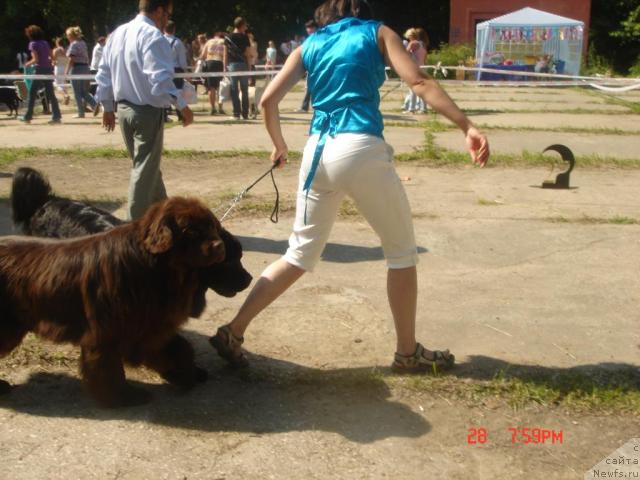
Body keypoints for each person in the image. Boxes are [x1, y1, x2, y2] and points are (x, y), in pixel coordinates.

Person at [209, 0, 489, 373]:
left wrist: (278, 145)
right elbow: (419, 82)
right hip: (359, 148)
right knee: (402, 254)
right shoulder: (377, 32)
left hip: (316, 154)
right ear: (360, 10)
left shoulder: (309, 45)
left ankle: (234, 330)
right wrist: (465, 124)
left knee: (298, 255)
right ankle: (407, 353)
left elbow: (267, 100)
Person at [95, 0, 194, 220]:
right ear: (158, 11)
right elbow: (159, 80)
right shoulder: (153, 36)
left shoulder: (118, 34)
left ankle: (166, 216)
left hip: (123, 111)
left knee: (148, 168)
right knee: (143, 170)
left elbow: (103, 74)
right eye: (167, 14)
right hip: (146, 112)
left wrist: (107, 107)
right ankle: (132, 227)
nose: (168, 19)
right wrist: (182, 105)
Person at [19, 25, 61, 124]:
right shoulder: (45, 43)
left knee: (32, 93)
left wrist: (27, 64)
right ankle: (57, 116)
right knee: (51, 93)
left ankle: (28, 116)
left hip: (38, 70)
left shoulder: (32, 44)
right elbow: (52, 57)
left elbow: (36, 60)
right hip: (48, 69)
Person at [65, 26, 97, 118]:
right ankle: (94, 105)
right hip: (85, 68)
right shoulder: (83, 43)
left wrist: (66, 72)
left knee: (77, 92)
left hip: (77, 68)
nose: (67, 37)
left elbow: (72, 59)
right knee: (83, 91)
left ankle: (80, 112)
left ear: (71, 35)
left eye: (67, 35)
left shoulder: (74, 44)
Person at [225, 16, 250, 120]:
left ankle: (236, 113)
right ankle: (245, 113)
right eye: (245, 25)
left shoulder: (228, 37)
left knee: (234, 89)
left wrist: (224, 66)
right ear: (241, 25)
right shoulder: (245, 37)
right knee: (244, 89)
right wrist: (248, 65)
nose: (246, 27)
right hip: (243, 64)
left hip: (233, 65)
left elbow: (225, 53)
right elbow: (247, 53)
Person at [164, 20, 188, 121]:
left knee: (164, 92)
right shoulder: (178, 42)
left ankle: (164, 116)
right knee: (178, 93)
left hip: (163, 69)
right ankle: (180, 114)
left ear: (164, 29)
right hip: (176, 70)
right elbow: (182, 60)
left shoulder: (159, 40)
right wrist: (185, 71)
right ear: (174, 29)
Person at [200, 31, 226, 115]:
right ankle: (220, 108)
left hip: (210, 63)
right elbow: (226, 55)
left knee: (211, 87)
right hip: (219, 63)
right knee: (220, 86)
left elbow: (203, 55)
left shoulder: (209, 41)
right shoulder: (223, 42)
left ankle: (213, 108)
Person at [402, 28, 427, 114]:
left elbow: (405, 54)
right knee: (423, 90)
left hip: (414, 69)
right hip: (423, 68)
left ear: (410, 36)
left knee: (412, 89)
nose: (408, 38)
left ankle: (411, 109)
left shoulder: (412, 43)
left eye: (408, 37)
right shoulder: (422, 44)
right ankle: (423, 108)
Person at [296, 19, 318, 113]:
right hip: (310, 66)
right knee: (309, 87)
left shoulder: (318, 38)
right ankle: (305, 107)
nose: (308, 30)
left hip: (318, 66)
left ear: (315, 28)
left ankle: (308, 107)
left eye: (310, 28)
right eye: (307, 28)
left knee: (314, 87)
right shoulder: (308, 39)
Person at [90, 36, 107, 114]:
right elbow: (106, 55)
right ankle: (96, 103)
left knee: (97, 87)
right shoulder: (99, 48)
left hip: (98, 69)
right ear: (102, 41)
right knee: (96, 87)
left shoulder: (101, 47)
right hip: (96, 69)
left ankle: (97, 104)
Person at [52, 36, 71, 105]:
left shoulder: (56, 50)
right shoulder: (67, 49)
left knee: (57, 84)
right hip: (65, 67)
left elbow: (54, 61)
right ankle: (65, 97)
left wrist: (52, 62)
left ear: (57, 43)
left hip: (58, 67)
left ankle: (65, 95)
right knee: (64, 83)